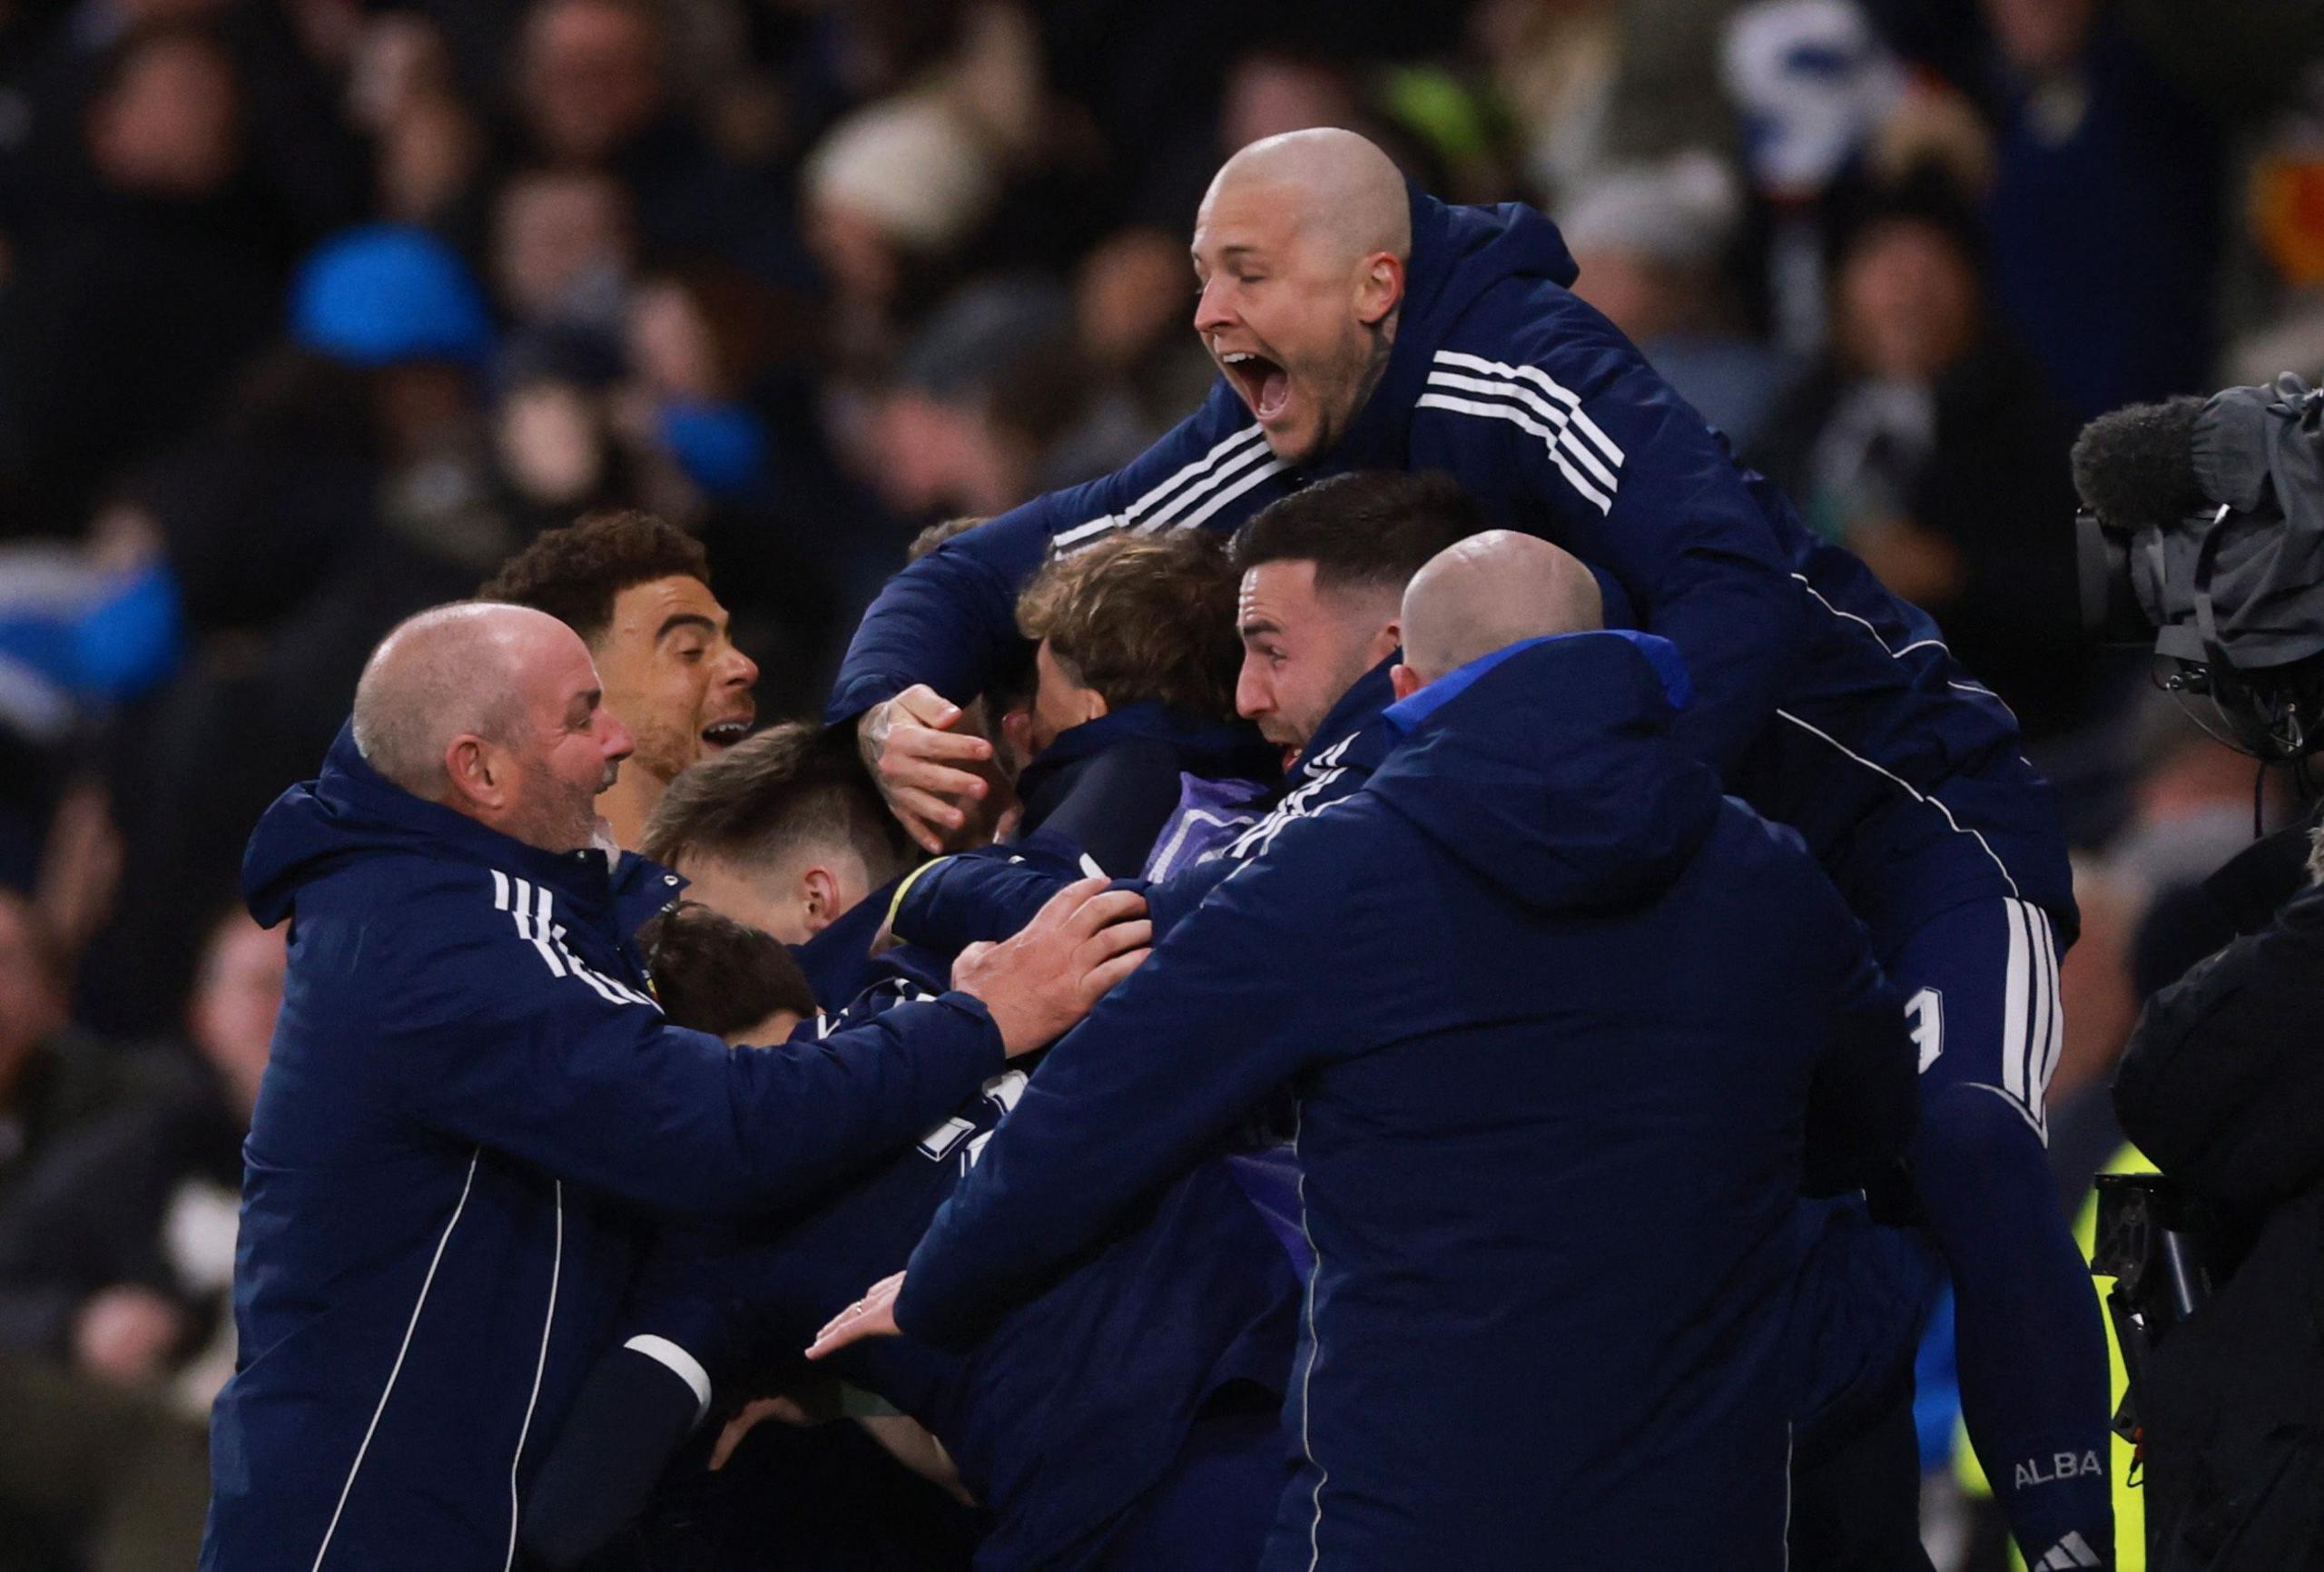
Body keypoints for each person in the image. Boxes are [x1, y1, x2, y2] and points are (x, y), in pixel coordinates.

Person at [836, 126, 2103, 1568]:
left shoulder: (1513, 358)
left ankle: (2076, 1543)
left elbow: (1726, 579)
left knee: (1963, 1144)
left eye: (1246, 271)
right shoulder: (1282, 439)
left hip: (1910, 825)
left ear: (1377, 282)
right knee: (1751, 1246)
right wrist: (880, 708)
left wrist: (1650, 829)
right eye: (1197, 278)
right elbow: (1013, 559)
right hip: (1696, 869)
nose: (1205, 313)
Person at [812, 532, 1917, 1570]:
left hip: (1408, 1513)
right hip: (1698, 1520)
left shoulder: (1336, 873)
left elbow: (1100, 1108)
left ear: (1404, 691)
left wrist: (938, 1286)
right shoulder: (1768, 875)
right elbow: (1866, 1127)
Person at [202, 601, 1147, 1571]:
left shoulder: (468, 893)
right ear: (476, 768)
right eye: (580, 718)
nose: (615, 742)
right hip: (370, 1528)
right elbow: (724, 1125)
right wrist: (984, 1015)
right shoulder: (437, 943)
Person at [527, 838, 1305, 1572]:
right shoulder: (971, 974)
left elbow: (567, 1516)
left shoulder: (717, 1236)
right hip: (1294, 1349)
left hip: (1113, 1494)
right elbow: (1058, 871)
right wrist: (918, 894)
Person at [479, 509, 760, 850]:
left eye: (729, 641)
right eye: (691, 650)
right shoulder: (479, 894)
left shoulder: (796, 883)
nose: (744, 667)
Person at [1008, 530, 1279, 873]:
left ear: (1089, 712)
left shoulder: (1091, 832)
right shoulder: (1276, 806)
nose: (1029, 721)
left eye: (1041, 691)